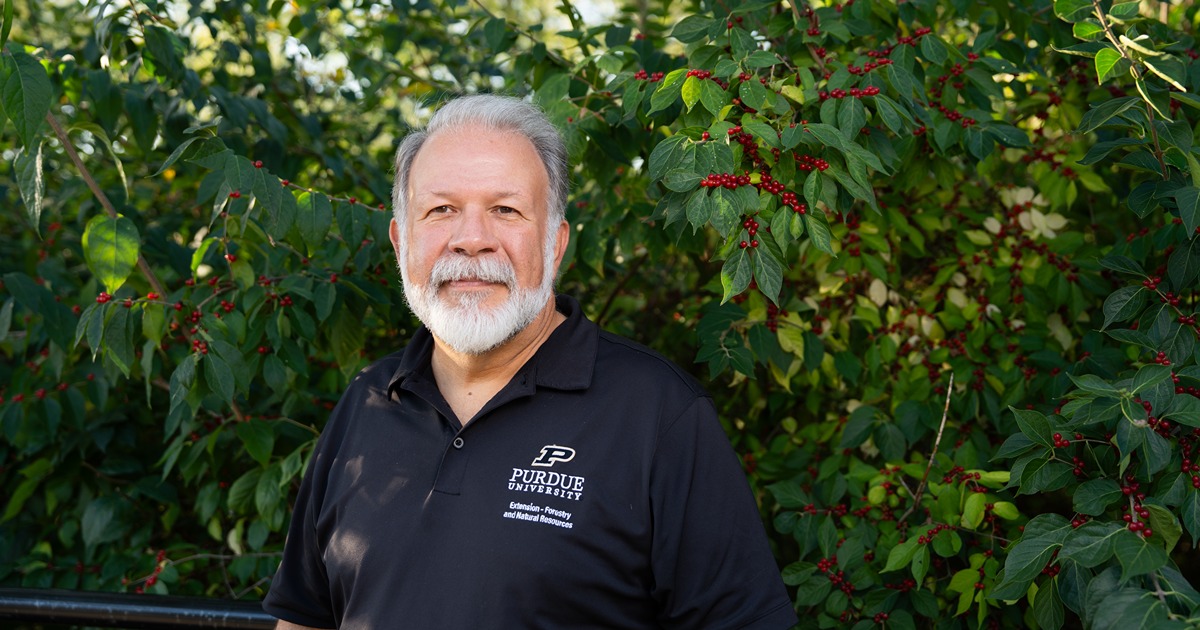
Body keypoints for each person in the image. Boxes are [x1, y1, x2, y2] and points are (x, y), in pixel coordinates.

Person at [262, 94, 798, 629]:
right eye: (441, 209)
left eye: (506, 210)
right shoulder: (369, 399)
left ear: (555, 242)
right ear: (402, 241)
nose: (472, 240)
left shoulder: (659, 416)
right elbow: (305, 616)